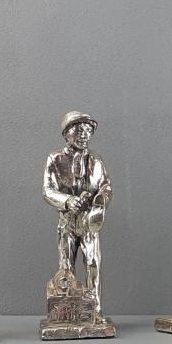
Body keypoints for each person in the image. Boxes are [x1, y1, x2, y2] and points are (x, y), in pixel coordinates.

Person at [43, 111, 112, 314]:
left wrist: (100, 201)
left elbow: (106, 187)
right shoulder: (55, 159)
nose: (84, 135)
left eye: (88, 131)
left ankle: (95, 311)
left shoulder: (96, 161)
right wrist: (68, 200)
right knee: (66, 266)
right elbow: (47, 190)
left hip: (89, 221)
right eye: (79, 130)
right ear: (67, 134)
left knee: (93, 264)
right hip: (67, 221)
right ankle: (68, 311)